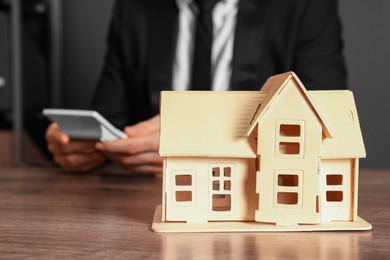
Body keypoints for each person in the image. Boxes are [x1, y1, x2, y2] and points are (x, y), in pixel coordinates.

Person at [45, 0, 347, 174]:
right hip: (145, 208)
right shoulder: (134, 8)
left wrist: (192, 143)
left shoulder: (305, 6)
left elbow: (325, 129)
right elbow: (111, 120)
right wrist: (78, 145)